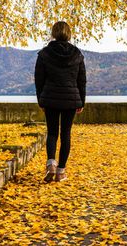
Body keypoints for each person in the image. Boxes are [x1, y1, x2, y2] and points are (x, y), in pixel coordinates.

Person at [35, 21, 86, 182]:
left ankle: (51, 163)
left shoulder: (44, 54)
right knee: (66, 134)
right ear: (68, 34)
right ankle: (61, 172)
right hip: (71, 100)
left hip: (50, 99)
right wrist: (81, 102)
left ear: (53, 33)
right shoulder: (77, 54)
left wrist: (41, 100)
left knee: (51, 132)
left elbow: (39, 79)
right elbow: (81, 80)